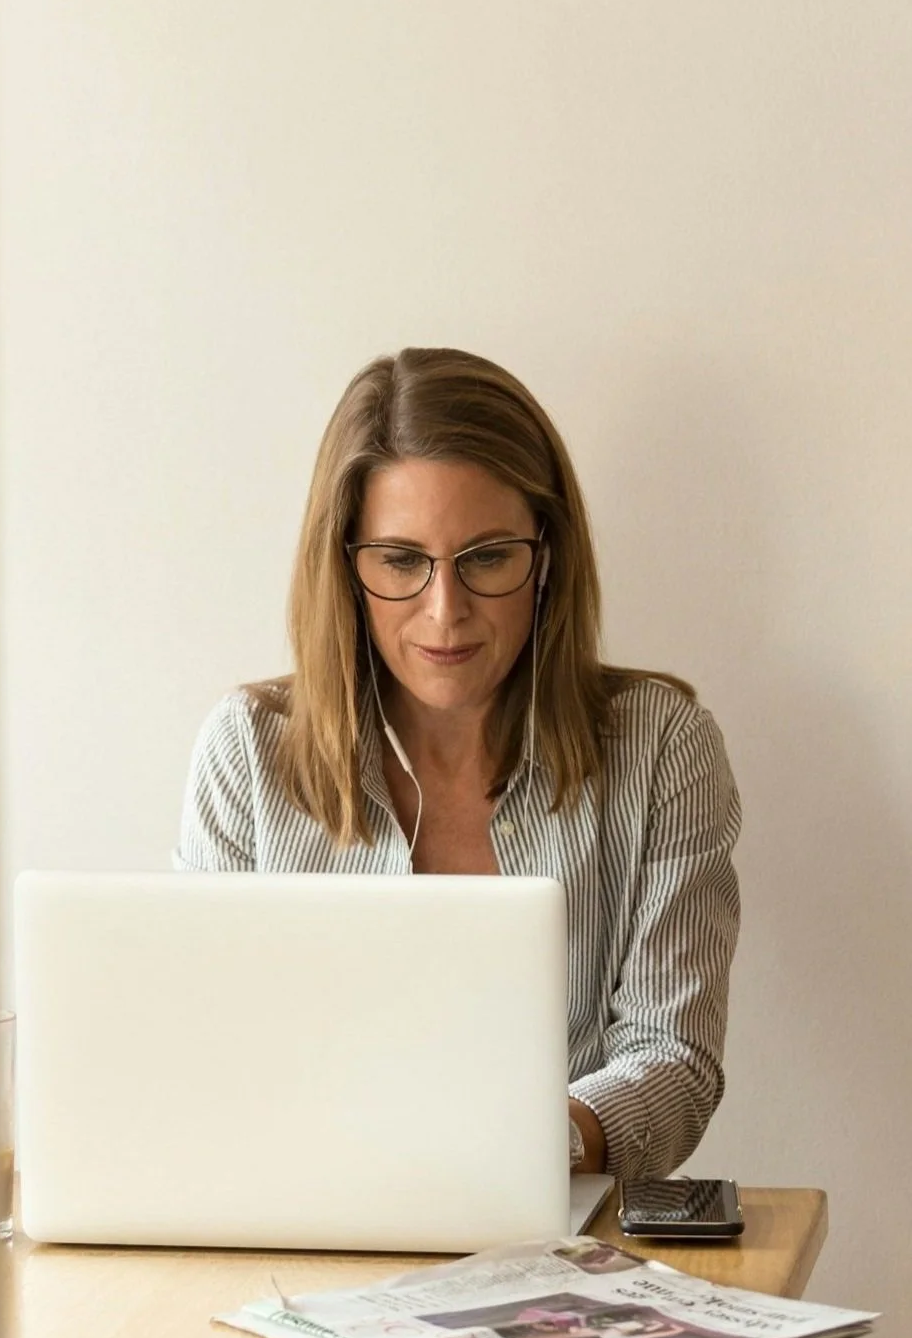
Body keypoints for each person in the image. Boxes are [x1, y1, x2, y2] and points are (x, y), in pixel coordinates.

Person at [174, 347, 741, 1180]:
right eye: (401, 561)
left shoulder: (660, 746)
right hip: (302, 1223)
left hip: (562, 1240)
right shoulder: (247, 751)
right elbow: (202, 1054)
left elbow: (675, 1061)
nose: (446, 612)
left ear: (545, 556)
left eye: (486, 558)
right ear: (346, 566)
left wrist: (521, 1150)